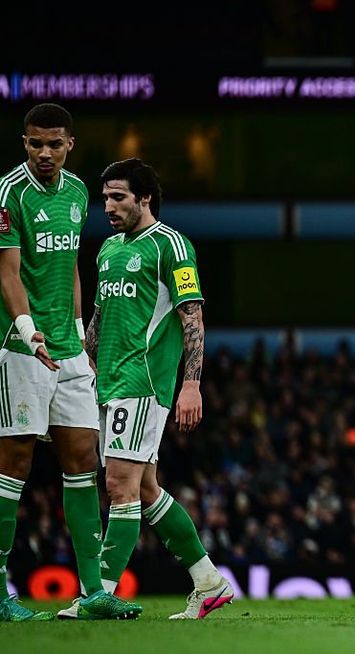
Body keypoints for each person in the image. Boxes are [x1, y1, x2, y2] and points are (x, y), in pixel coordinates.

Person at [59, 158, 233, 620]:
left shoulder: (172, 245)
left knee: (119, 485)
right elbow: (98, 320)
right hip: (106, 381)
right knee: (147, 489)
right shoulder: (109, 249)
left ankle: (99, 594)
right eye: (106, 198)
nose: (109, 207)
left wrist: (191, 384)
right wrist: (79, 361)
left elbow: (191, 315)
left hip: (143, 380)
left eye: (119, 197)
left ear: (145, 197)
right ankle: (208, 581)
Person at [0, 103, 117, 621]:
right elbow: (8, 274)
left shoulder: (76, 192)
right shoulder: (9, 193)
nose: (43, 153)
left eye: (53, 143)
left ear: (70, 144)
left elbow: (69, 266)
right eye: (33, 144)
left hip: (67, 349)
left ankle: (92, 591)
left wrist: (76, 334)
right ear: (24, 144)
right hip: (20, 346)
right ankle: (1, 590)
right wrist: (31, 333)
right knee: (15, 464)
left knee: (82, 459)